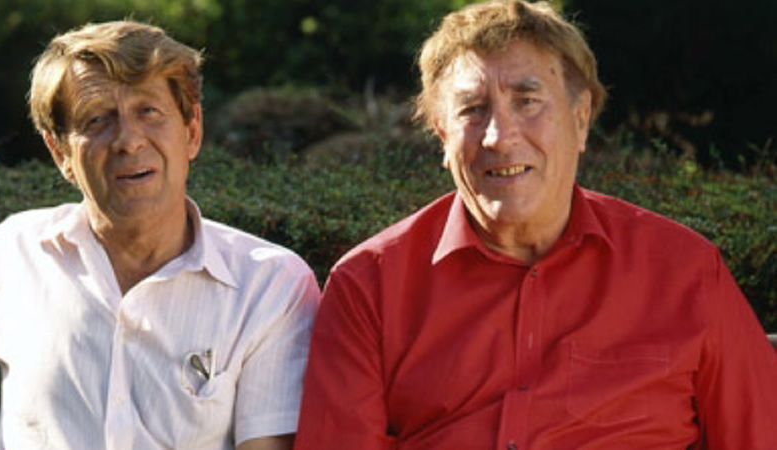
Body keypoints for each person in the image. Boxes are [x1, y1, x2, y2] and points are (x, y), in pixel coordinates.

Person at [294, 1, 777, 448]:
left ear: (581, 119)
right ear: (442, 134)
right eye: (472, 109)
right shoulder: (369, 286)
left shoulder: (686, 272)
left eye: (527, 100)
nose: (500, 137)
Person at [0, 20, 319, 450]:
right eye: (97, 120)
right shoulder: (17, 251)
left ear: (192, 131)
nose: (128, 140)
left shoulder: (269, 286)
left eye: (149, 111)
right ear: (61, 154)